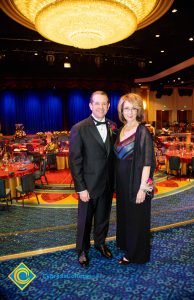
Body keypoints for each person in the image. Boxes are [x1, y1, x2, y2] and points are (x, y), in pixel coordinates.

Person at [69, 91, 116, 267]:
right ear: (90, 106)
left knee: (103, 218)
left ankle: (100, 243)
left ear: (108, 106)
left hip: (107, 184)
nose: (101, 107)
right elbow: (75, 161)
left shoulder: (113, 126)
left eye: (104, 103)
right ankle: (82, 250)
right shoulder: (79, 128)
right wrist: (81, 188)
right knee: (85, 221)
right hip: (87, 187)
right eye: (97, 103)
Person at [114, 93, 156, 265]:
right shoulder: (121, 129)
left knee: (137, 219)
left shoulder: (143, 131)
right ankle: (127, 244)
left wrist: (142, 189)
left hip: (136, 183)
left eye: (133, 108)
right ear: (121, 110)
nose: (130, 112)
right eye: (126, 108)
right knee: (126, 216)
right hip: (122, 183)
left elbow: (147, 162)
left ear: (138, 110)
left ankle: (135, 254)